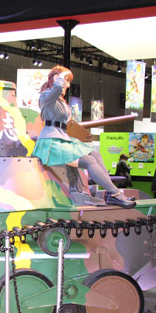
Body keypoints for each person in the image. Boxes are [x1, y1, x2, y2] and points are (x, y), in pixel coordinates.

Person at [32, 65, 135, 208]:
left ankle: (111, 192)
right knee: (89, 161)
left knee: (95, 154)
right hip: (51, 142)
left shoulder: (60, 100)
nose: (68, 85)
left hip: (63, 138)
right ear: (56, 78)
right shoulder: (46, 96)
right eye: (67, 80)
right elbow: (55, 90)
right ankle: (115, 193)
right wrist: (61, 77)